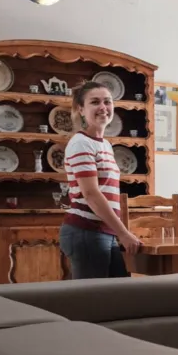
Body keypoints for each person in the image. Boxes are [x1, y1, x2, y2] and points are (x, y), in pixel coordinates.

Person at [58, 81, 141, 279]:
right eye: (95, 102)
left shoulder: (105, 145)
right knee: (93, 296)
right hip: (86, 231)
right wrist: (123, 233)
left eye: (107, 101)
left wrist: (118, 231)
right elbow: (91, 194)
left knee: (116, 293)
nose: (103, 107)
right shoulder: (81, 143)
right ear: (81, 109)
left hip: (104, 231)